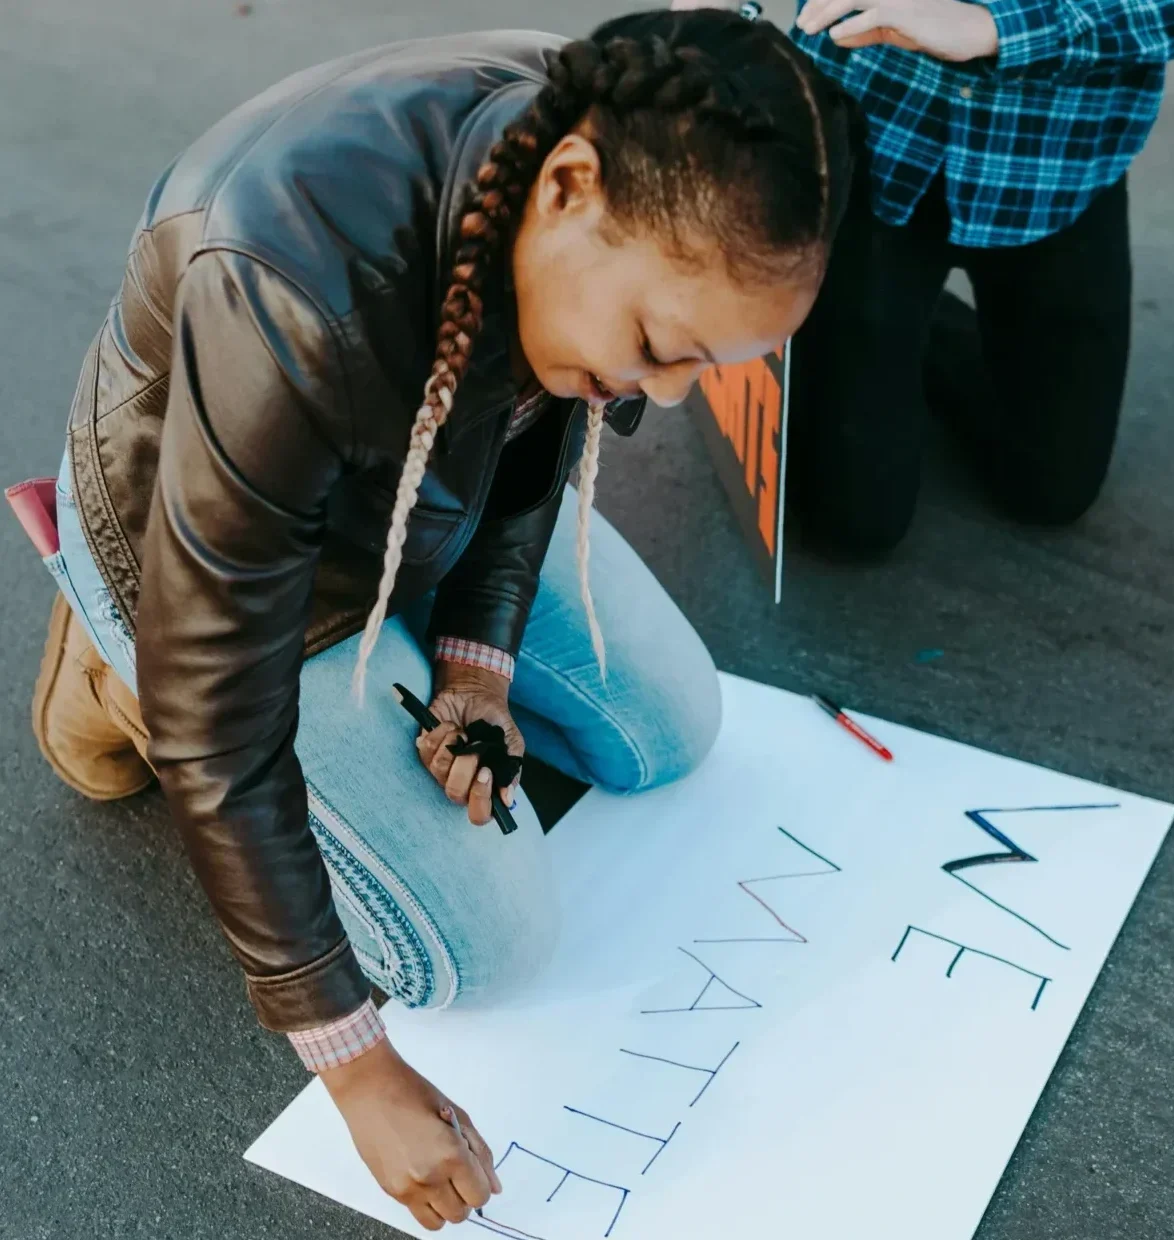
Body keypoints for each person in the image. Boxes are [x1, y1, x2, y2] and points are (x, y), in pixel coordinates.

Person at [27, 9, 856, 1231]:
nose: (669, 395)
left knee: (670, 728)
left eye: (707, 364)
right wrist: (354, 1063)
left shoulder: (580, 155)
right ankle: (105, 670)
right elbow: (218, 701)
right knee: (483, 951)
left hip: (421, 497)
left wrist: (475, 670)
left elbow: (535, 428)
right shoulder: (289, 287)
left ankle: (400, 664)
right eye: (656, 347)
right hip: (211, 566)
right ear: (570, 191)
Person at [678, 0, 1174, 554]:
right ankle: (862, 319)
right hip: (875, 129)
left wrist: (1000, 27)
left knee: (1052, 491)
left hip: (1059, 164)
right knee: (851, 527)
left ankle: (900, 327)